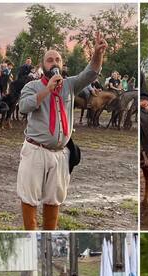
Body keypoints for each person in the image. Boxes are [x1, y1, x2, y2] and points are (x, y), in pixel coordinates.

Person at [16, 32, 107, 230]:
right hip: (35, 150)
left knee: (54, 200)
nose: (54, 62)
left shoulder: (69, 85)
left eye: (57, 59)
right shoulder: (31, 86)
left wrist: (98, 53)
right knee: (29, 197)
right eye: (50, 60)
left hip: (60, 154)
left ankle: (49, 235)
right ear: (43, 66)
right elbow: (23, 107)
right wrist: (46, 90)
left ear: (62, 64)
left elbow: (91, 72)